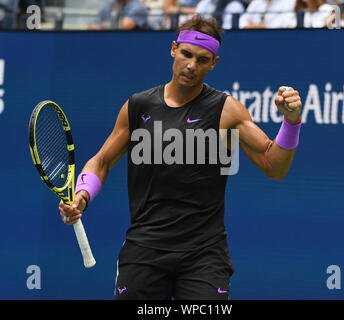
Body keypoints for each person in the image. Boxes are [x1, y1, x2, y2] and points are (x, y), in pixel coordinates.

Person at [59, 14, 303, 300]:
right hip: (144, 250)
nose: (191, 65)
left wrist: (291, 122)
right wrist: (82, 195)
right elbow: (101, 161)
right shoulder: (138, 105)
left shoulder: (227, 111)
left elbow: (273, 166)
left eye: (202, 59)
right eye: (186, 54)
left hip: (204, 256)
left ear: (214, 63)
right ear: (173, 48)